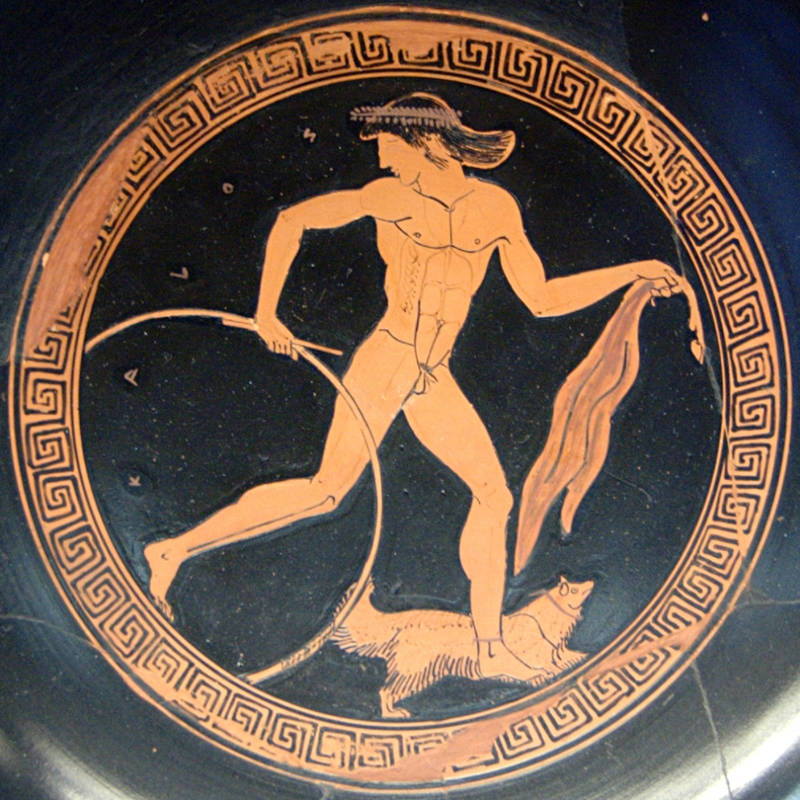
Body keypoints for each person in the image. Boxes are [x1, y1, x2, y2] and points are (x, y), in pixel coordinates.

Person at [145, 92, 679, 682]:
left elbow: (542, 298)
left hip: (432, 375)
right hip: (387, 360)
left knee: (494, 496)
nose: (382, 159)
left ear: (422, 141)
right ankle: (172, 549)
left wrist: (631, 271)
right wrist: (267, 313)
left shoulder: (495, 208)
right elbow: (292, 220)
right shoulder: (392, 198)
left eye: (388, 146)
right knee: (325, 492)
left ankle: (489, 646)